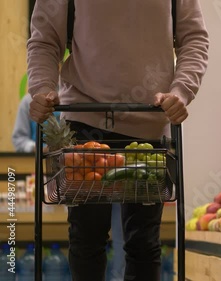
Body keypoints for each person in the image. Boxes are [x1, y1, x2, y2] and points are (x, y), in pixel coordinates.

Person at [27, 1, 209, 280]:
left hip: (148, 125)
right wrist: (42, 88)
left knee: (144, 244)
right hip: (85, 124)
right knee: (87, 239)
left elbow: (194, 37)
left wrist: (181, 90)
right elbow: (44, 40)